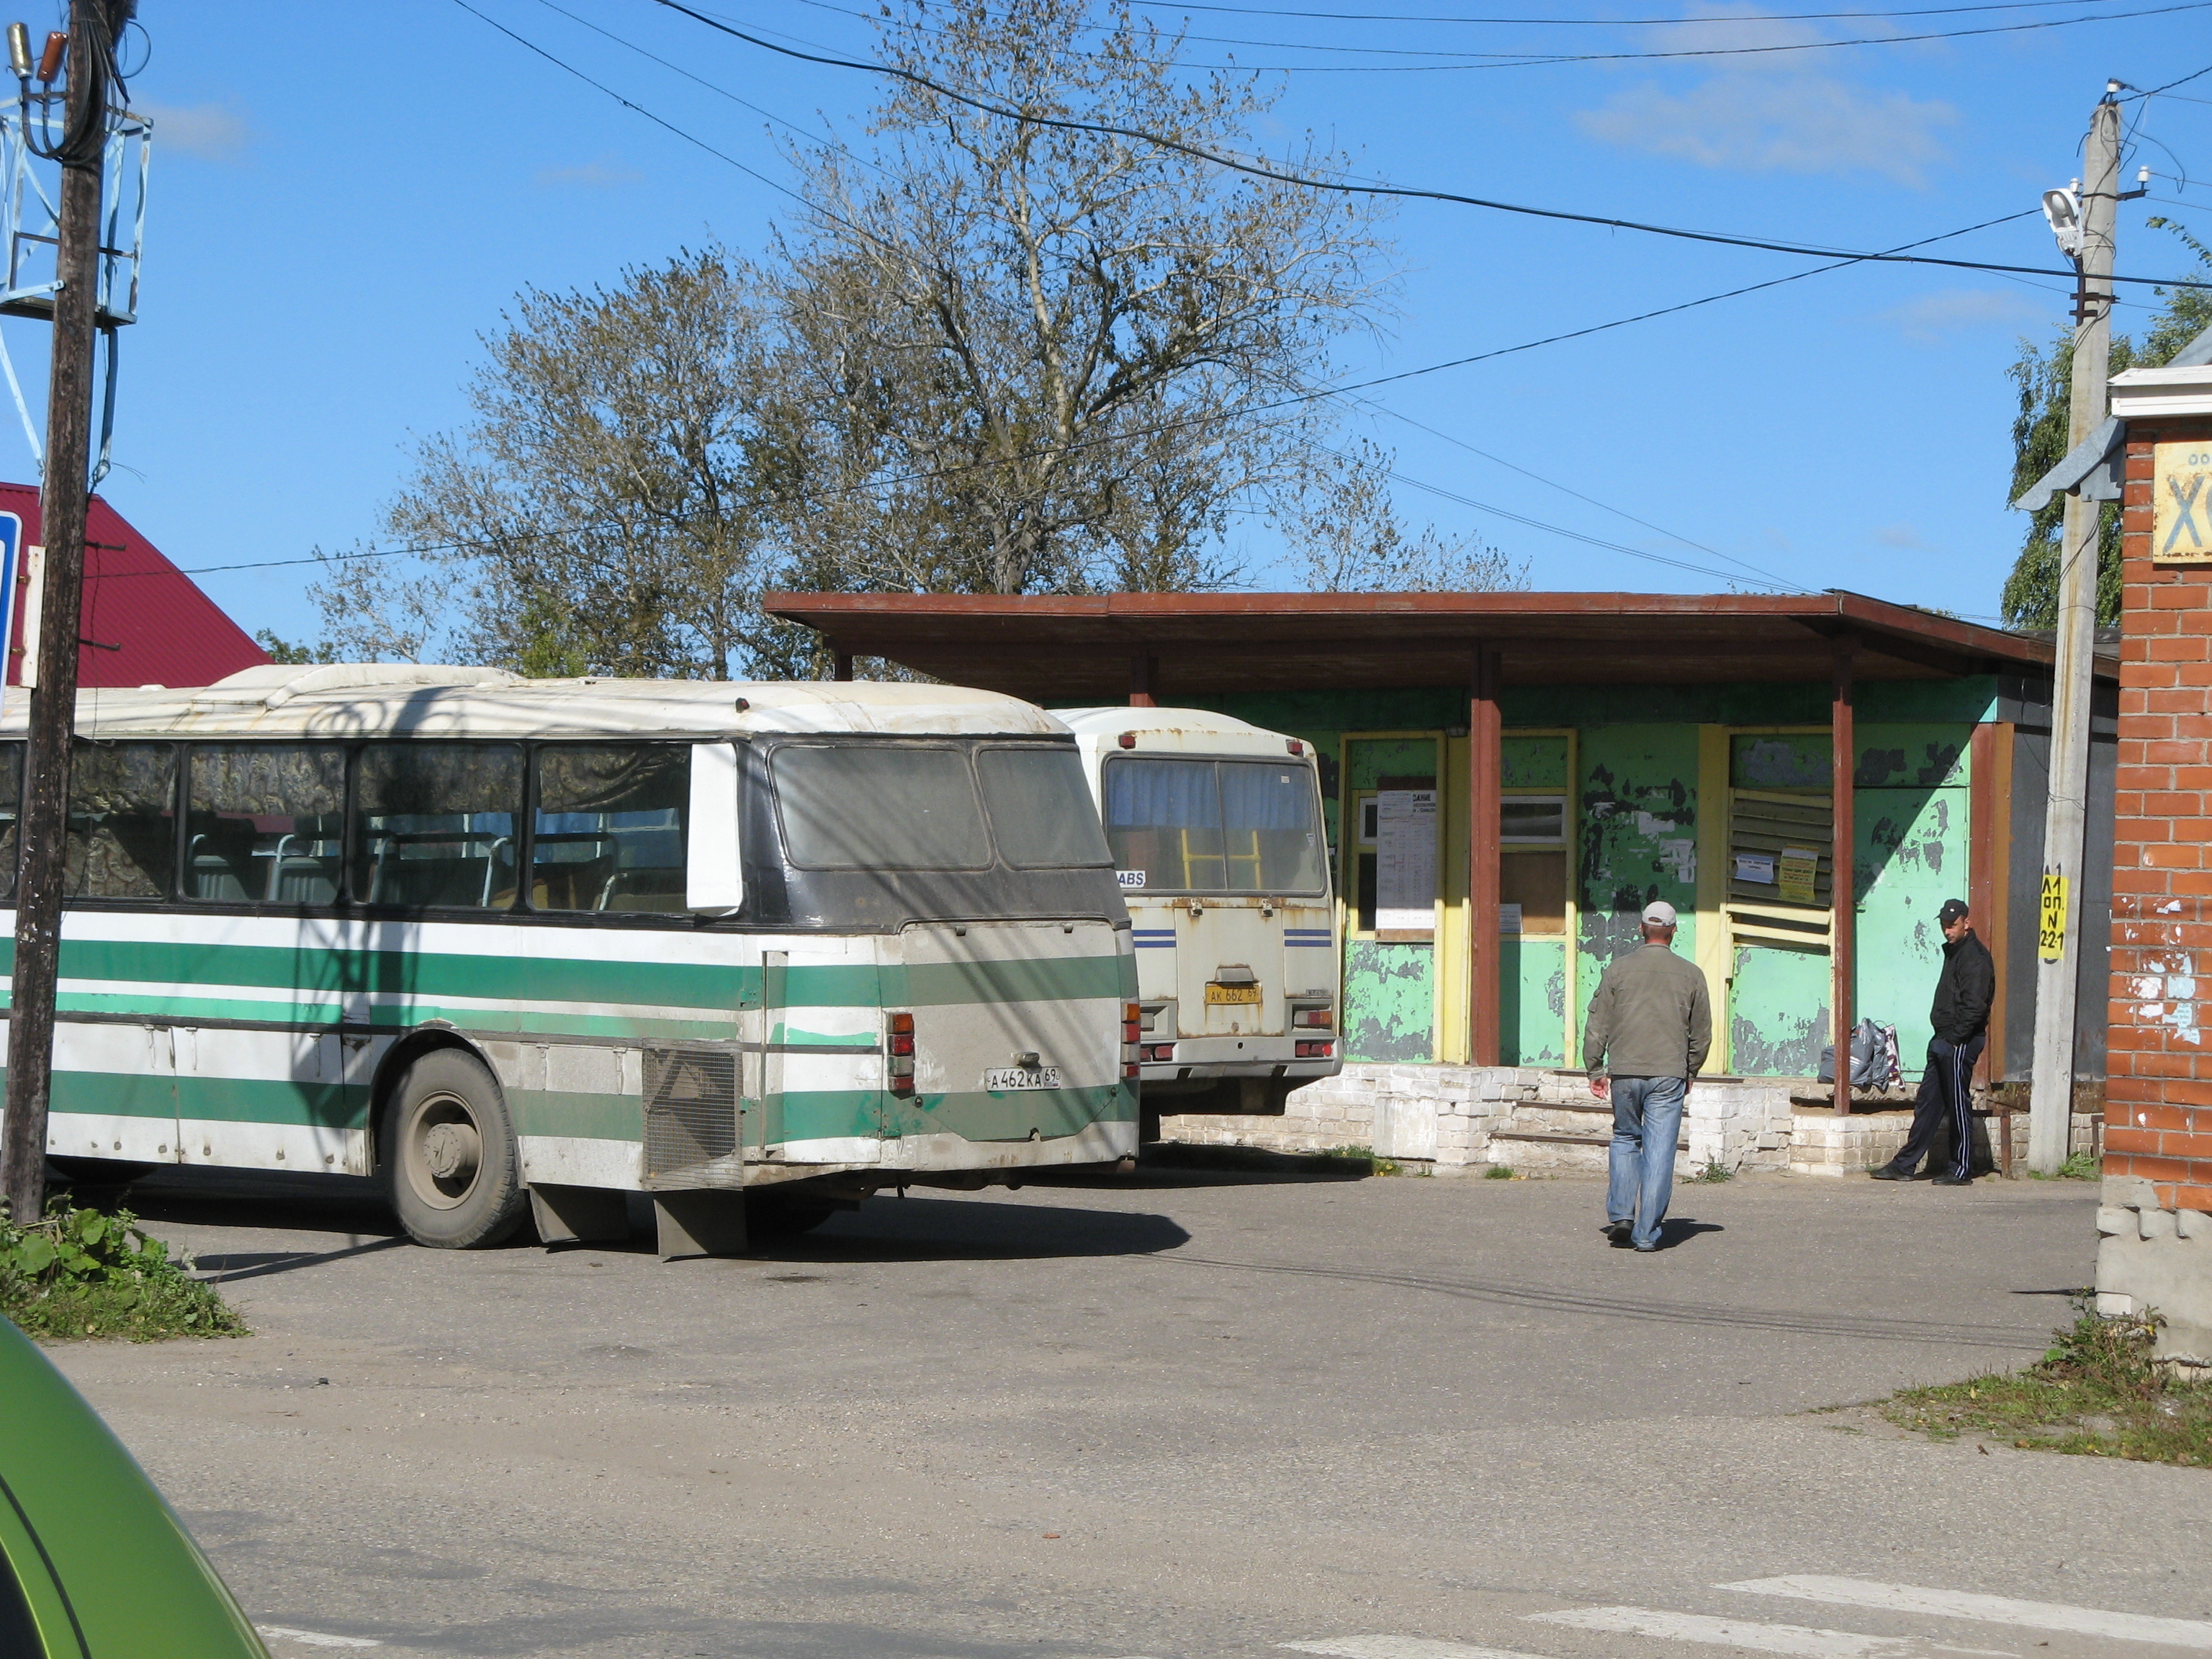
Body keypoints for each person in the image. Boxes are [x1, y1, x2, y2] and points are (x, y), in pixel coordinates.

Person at [1583, 899, 1712, 1253]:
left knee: (1626, 1137)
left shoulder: (1618, 970)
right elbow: (1701, 1033)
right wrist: (1691, 1069)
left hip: (1625, 1070)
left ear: (1641, 928)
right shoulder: (1691, 974)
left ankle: (1622, 1215)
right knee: (1659, 1151)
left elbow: (1598, 1023)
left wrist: (1595, 1068)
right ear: (1673, 931)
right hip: (1669, 1074)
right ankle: (1645, 1234)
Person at [1870, 897, 1995, 1186]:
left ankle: (1961, 1169)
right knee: (1928, 1103)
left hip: (1959, 1040)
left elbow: (1975, 1007)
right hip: (1944, 1038)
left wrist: (1954, 1039)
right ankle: (1905, 1165)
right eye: (1944, 926)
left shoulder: (1975, 958)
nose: (1948, 931)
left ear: (1967, 922)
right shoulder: (1955, 952)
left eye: (1952, 925)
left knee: (1957, 1103)